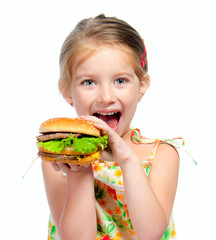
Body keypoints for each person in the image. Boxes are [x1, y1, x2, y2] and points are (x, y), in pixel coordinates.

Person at [42, 14, 180, 240]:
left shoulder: (163, 155)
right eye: (89, 82)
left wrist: (127, 161)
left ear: (142, 86)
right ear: (68, 91)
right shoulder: (58, 158)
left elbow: (151, 233)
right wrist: (79, 170)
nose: (106, 96)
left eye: (120, 81)